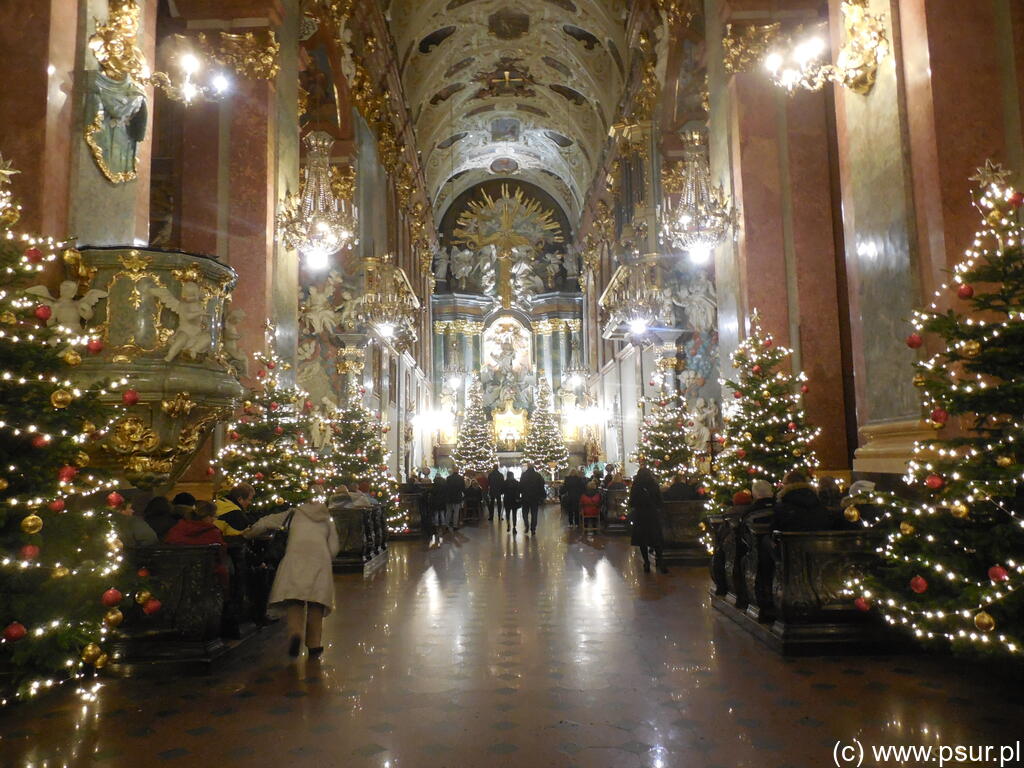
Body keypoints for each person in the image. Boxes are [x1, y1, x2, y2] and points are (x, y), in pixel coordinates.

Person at [245, 500, 340, 659]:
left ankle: (295, 634)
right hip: (319, 563)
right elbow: (334, 547)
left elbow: (265, 522)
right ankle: (314, 646)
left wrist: (248, 533)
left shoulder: (293, 514)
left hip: (295, 560)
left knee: (295, 601)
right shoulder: (326, 519)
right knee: (316, 604)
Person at [164, 500, 230, 588]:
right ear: (206, 516)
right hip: (207, 576)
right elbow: (221, 554)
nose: (214, 519)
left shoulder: (177, 529)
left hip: (178, 576)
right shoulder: (212, 532)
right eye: (213, 516)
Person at [629, 466, 668, 573]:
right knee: (656, 539)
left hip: (641, 516)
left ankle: (646, 562)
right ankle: (660, 561)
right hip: (652, 515)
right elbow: (660, 501)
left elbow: (631, 502)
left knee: (643, 541)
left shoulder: (636, 486)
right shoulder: (654, 485)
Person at [519, 462, 546, 535]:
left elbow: (520, 486)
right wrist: (543, 496)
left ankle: (526, 525)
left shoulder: (524, 475)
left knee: (525, 513)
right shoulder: (537, 475)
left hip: (525, 497)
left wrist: (520, 494)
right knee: (534, 513)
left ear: (527, 467)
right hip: (535, 497)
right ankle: (533, 528)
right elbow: (541, 486)